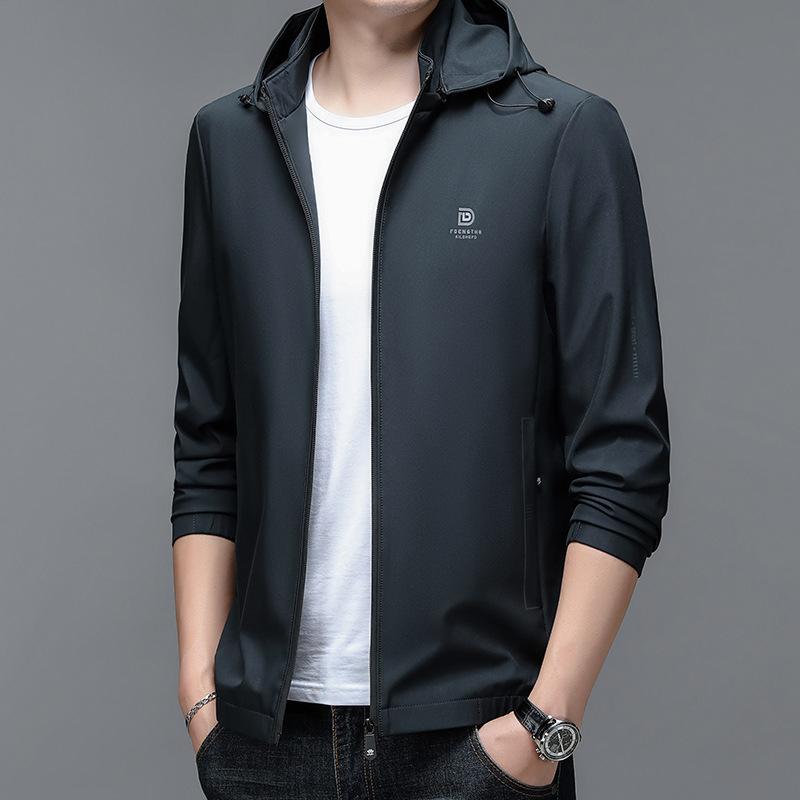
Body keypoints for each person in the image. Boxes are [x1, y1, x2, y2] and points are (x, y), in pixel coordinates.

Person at [171, 0, 670, 797]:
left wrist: (546, 722)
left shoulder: (560, 133)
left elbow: (623, 452)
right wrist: (202, 692)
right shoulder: (228, 142)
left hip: (477, 738)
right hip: (264, 745)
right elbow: (209, 438)